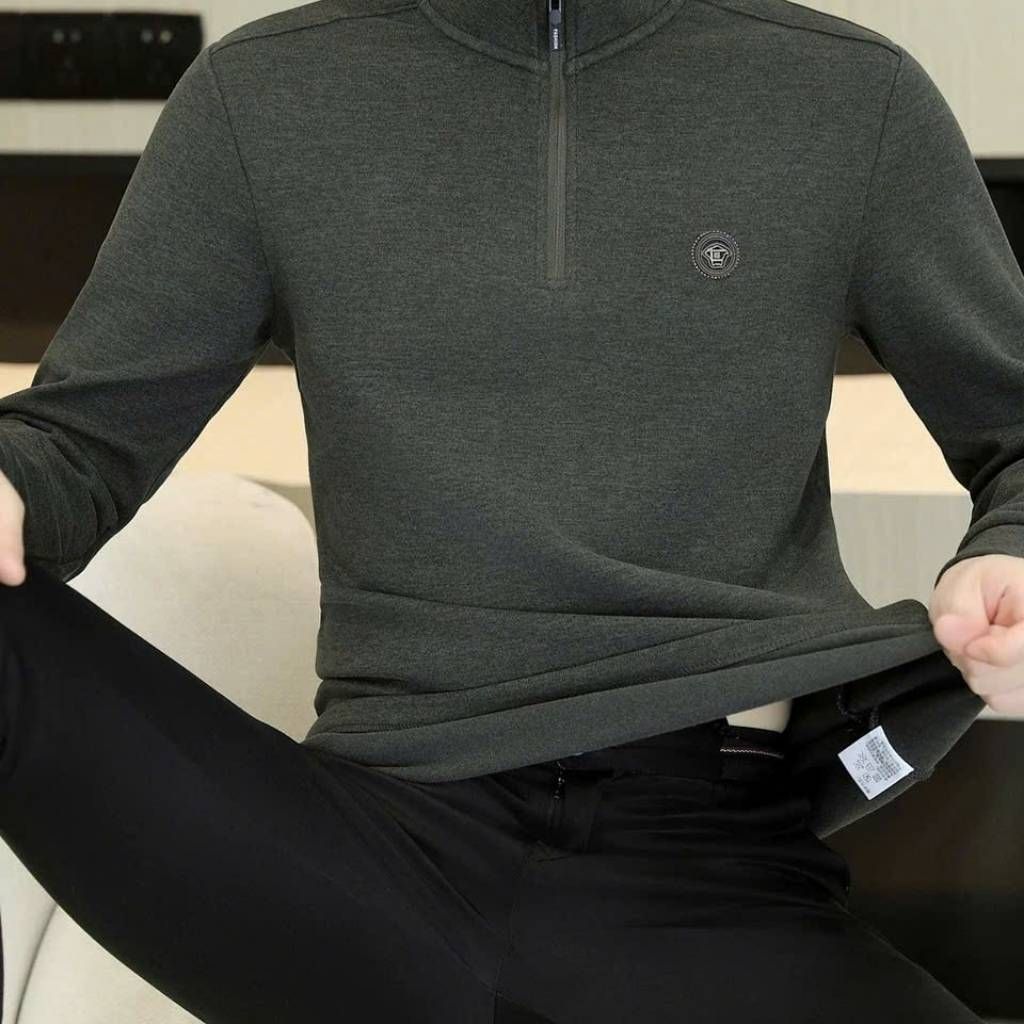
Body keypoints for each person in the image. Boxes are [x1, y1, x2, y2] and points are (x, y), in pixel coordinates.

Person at [0, 0, 1014, 1020]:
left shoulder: (851, 95)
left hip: (700, 855)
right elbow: (77, 443)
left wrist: (1007, 551)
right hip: (361, 852)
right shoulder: (260, 94)